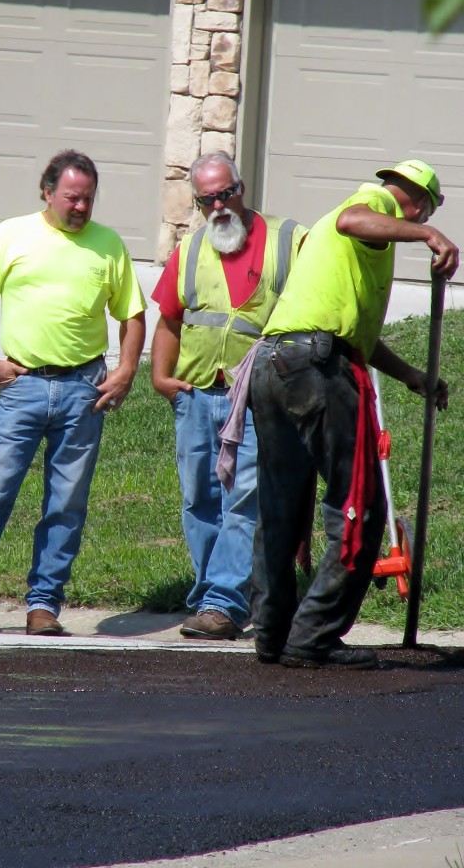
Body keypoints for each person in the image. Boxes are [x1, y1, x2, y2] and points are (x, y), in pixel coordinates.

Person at [243, 158, 458, 670]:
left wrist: (411, 375)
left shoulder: (339, 245)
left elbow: (354, 332)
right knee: (358, 502)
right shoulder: (371, 205)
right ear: (419, 199)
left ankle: (272, 634)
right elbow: (354, 220)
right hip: (317, 367)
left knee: (281, 505)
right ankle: (313, 636)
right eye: (424, 208)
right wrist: (426, 232)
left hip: (275, 363)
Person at [0, 149, 146, 636]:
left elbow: (132, 315)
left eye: (88, 199)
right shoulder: (12, 234)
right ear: (47, 193)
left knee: (67, 503)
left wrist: (126, 369)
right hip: (23, 387)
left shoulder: (108, 245)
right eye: (72, 197)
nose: (80, 207)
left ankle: (44, 606)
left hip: (82, 391)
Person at [151, 152, 306, 640]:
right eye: (208, 199)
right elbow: (170, 320)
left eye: (227, 193)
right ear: (197, 203)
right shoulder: (191, 250)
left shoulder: (289, 241)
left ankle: (221, 601)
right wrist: (160, 376)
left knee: (244, 499)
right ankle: (223, 597)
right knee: (200, 499)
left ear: (242, 188)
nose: (220, 206)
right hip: (197, 394)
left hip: (260, 397)